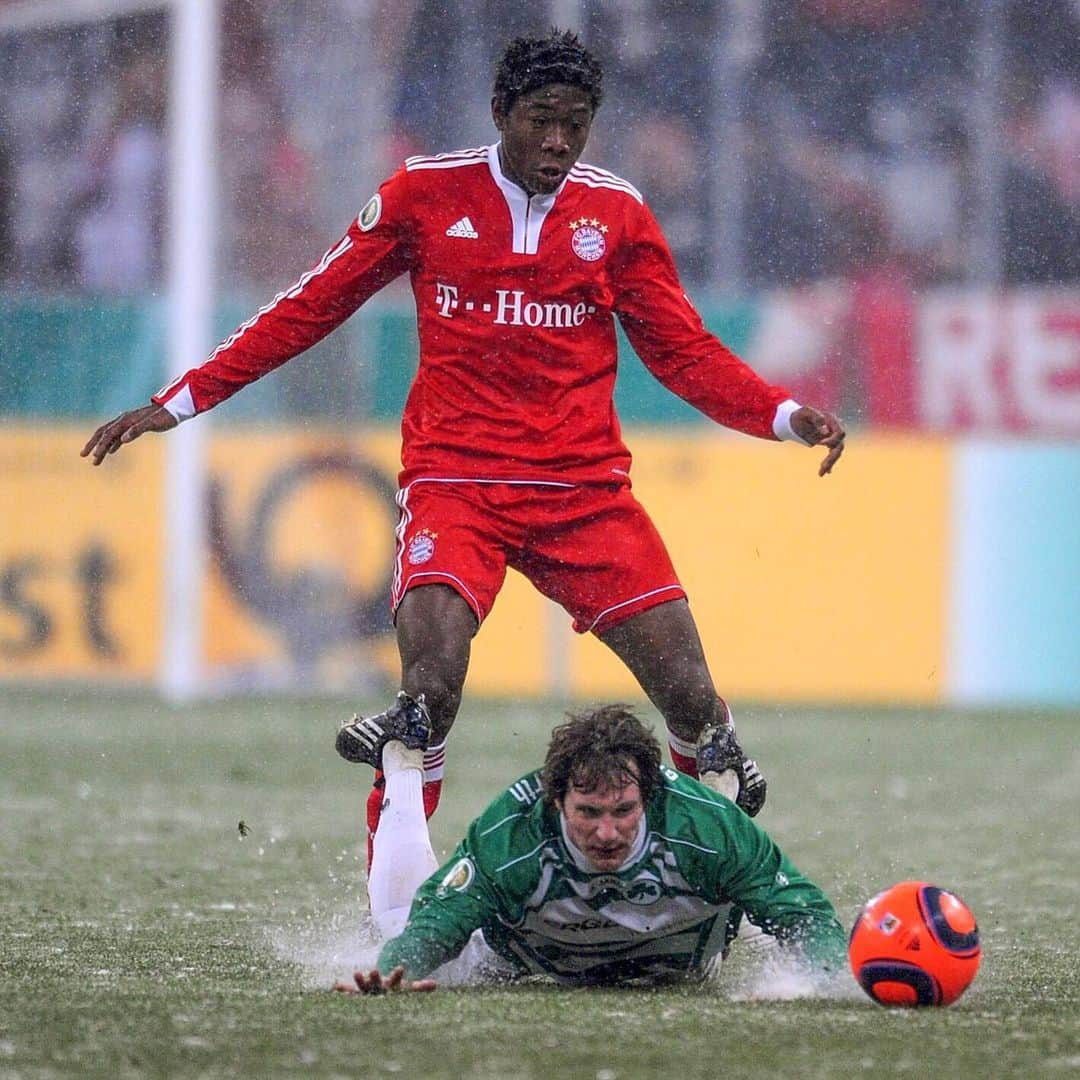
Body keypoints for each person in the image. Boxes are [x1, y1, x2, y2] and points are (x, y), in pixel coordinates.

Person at [81, 31, 846, 866]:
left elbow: (682, 350)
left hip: (582, 493)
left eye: (577, 124)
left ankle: (705, 870)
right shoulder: (424, 195)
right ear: (499, 113)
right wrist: (181, 400)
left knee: (694, 698)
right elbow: (310, 307)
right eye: (542, 120)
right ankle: (398, 921)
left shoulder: (616, 215)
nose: (558, 141)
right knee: (427, 690)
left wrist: (780, 412)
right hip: (456, 486)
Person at [335, 705, 847, 992]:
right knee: (396, 920)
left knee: (729, 862)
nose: (607, 833)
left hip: (679, 961)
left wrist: (831, 978)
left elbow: (804, 915)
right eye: (588, 813)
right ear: (555, 801)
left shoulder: (706, 829)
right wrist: (395, 969)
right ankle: (403, 760)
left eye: (624, 811)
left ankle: (722, 786)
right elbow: (435, 923)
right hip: (524, 963)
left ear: (650, 797)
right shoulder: (511, 833)